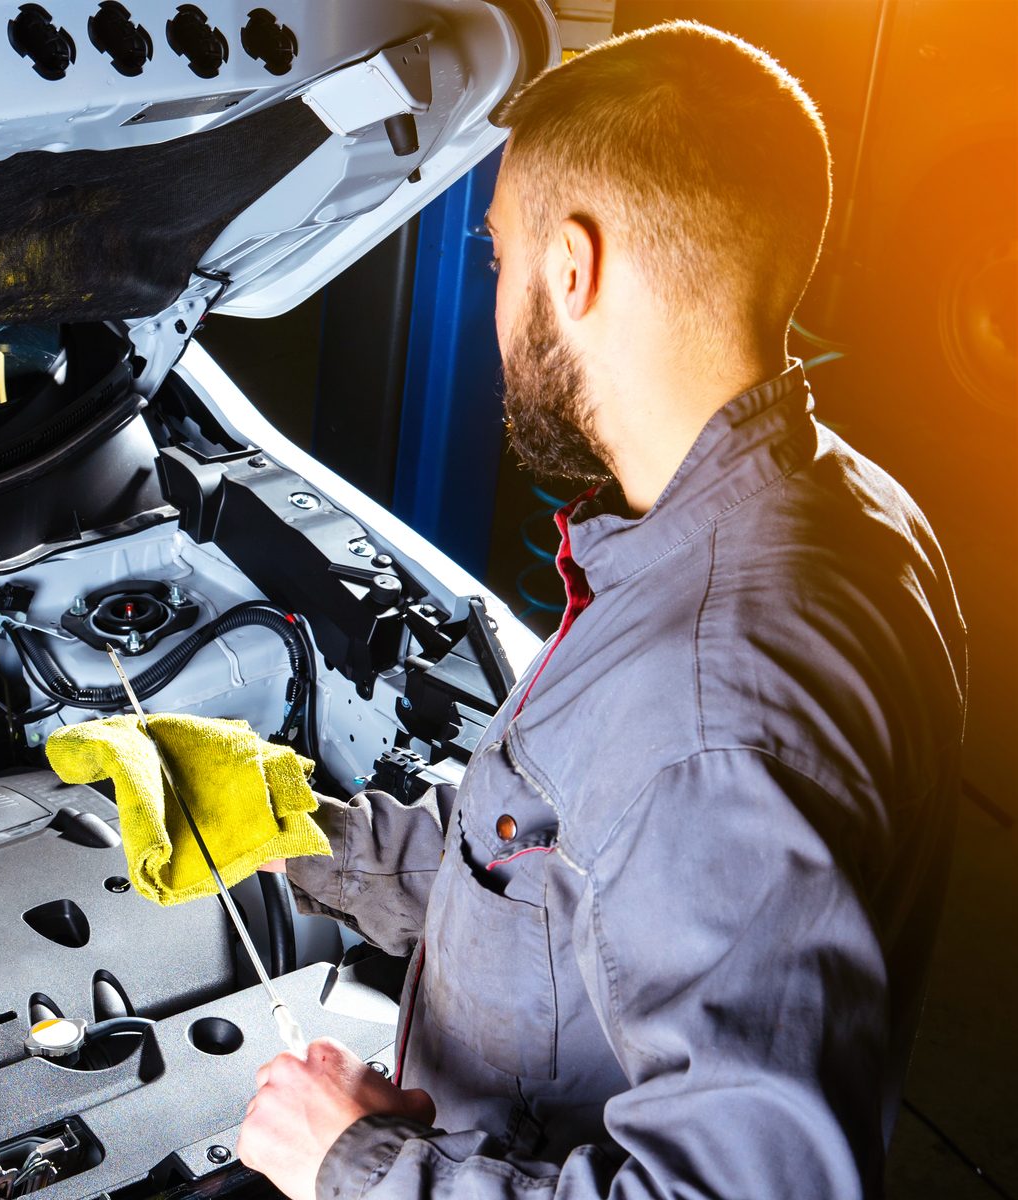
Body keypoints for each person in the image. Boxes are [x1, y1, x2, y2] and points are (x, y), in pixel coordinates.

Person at [235, 21, 967, 1200]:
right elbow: (555, 868)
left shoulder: (705, 707)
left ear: (570, 268)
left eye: (497, 261)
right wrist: (291, 833)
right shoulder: (845, 512)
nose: (497, 300)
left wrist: (358, 1165)